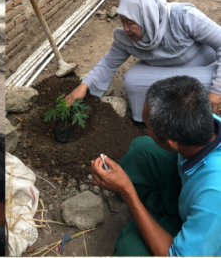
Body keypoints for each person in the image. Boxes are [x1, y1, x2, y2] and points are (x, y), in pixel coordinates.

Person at [91, 76, 221, 256]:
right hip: (196, 193)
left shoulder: (214, 195)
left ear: (172, 143)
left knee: (130, 249)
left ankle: (154, 211)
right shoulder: (208, 122)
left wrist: (128, 192)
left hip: (209, 235)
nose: (146, 130)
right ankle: (156, 209)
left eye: (148, 126)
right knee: (143, 149)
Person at [65, 0, 221, 122]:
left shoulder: (183, 17)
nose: (125, 28)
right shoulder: (125, 37)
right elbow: (109, 62)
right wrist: (83, 86)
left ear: (148, 17)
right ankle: (148, 120)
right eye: (122, 21)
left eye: (130, 22)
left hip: (205, 64)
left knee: (207, 85)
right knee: (132, 81)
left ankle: (190, 116)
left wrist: (216, 91)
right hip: (172, 69)